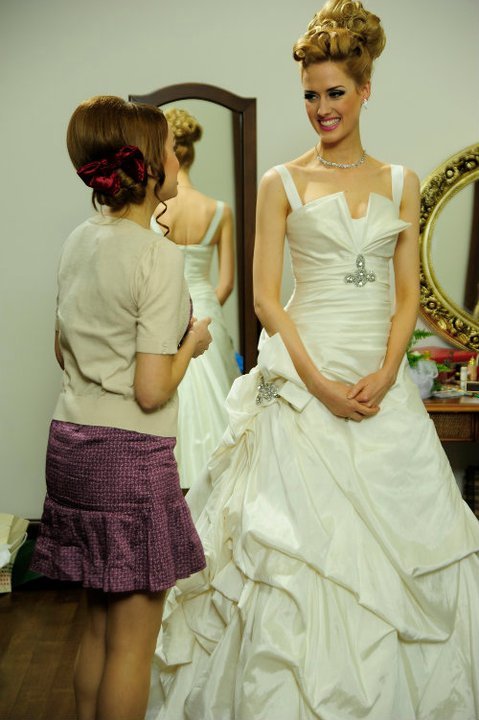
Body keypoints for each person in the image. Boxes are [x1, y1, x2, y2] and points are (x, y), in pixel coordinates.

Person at [147, 2, 479, 718]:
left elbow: (405, 297)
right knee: (287, 556)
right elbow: (266, 299)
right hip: (303, 373)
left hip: (378, 378)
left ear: (365, 90)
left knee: (409, 548)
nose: (322, 109)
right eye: (309, 95)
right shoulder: (281, 181)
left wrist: (388, 373)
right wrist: (320, 385)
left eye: (334, 93)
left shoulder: (402, 182)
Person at [31, 95, 212, 720]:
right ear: (151, 166)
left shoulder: (77, 241)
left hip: (70, 447)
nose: (176, 158)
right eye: (169, 149)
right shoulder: (158, 255)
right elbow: (152, 390)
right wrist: (192, 344)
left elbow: (61, 350)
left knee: (98, 629)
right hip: (128, 458)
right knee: (133, 646)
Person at [151, 107, 239, 489]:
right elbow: (227, 283)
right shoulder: (220, 210)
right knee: (217, 400)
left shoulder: (155, 207)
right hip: (205, 310)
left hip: (164, 312)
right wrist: (203, 308)